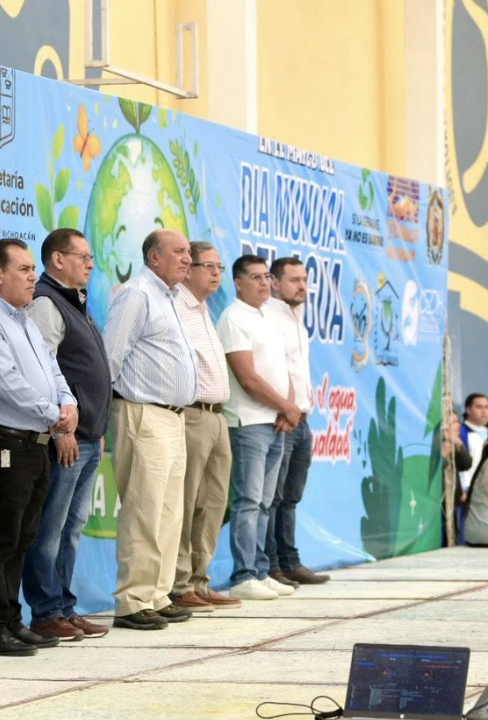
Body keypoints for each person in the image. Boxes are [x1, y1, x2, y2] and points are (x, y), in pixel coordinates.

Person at [0, 239, 78, 657]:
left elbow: (54, 370)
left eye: (34, 269)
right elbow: (5, 382)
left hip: (35, 444)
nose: (34, 277)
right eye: (24, 269)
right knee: (1, 538)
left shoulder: (26, 320)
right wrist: (54, 414)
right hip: (5, 442)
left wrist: (68, 404)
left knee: (23, 538)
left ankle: (12, 621)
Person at [103, 229, 200, 630]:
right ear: (153, 256)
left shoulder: (170, 298)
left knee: (168, 511)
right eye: (179, 251)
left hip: (174, 417)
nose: (188, 259)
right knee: (144, 509)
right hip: (143, 412)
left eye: (189, 252)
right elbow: (111, 356)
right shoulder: (137, 294)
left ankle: (157, 594)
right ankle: (132, 600)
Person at [23, 228, 113, 640]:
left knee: (71, 528)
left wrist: (96, 426)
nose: (91, 264)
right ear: (57, 260)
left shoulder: (75, 301)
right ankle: (45, 612)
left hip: (88, 436)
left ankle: (63, 607)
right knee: (50, 529)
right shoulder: (47, 302)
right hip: (64, 438)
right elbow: (41, 372)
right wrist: (59, 430)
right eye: (83, 257)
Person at [219, 255, 299, 601]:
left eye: (267, 276)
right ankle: (243, 575)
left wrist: (289, 408)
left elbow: (284, 370)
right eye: (256, 277)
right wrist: (286, 407)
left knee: (265, 502)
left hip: (275, 421)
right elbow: (248, 378)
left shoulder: (267, 317)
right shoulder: (233, 318)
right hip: (248, 422)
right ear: (238, 283)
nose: (265, 282)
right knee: (248, 501)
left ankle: (261, 571)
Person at [168, 242, 241, 613]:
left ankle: (199, 579)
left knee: (212, 502)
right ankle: (179, 584)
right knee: (186, 501)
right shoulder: (175, 307)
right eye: (208, 266)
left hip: (217, 415)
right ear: (188, 269)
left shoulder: (203, 309)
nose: (215, 273)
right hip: (192, 413)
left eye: (219, 267)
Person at [266, 257, 330, 587]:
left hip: (302, 420)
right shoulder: (268, 318)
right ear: (274, 283)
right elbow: (269, 370)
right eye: (294, 280)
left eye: (304, 279)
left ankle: (290, 561)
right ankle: (271, 565)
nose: (302, 286)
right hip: (282, 418)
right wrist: (285, 408)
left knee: (291, 497)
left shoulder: (297, 319)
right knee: (273, 497)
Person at [457, 393, 488, 500]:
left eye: (486, 407)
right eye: (479, 407)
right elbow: (461, 465)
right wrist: (464, 489)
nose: (484, 411)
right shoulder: (461, 432)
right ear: (468, 410)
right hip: (469, 494)